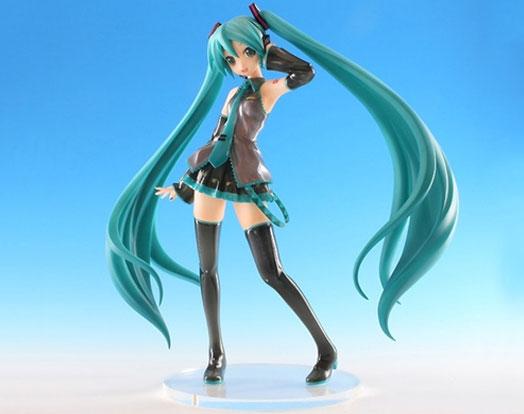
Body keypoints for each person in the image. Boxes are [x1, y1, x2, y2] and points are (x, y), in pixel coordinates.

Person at [106, 3, 459, 385]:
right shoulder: (231, 94)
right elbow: (215, 139)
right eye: (231, 58)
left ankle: (326, 349)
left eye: (245, 52)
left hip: (245, 179)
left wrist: (267, 46)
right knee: (207, 270)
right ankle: (216, 354)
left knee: (271, 272)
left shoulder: (269, 90)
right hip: (211, 178)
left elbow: (304, 72)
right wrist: (185, 183)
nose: (240, 64)